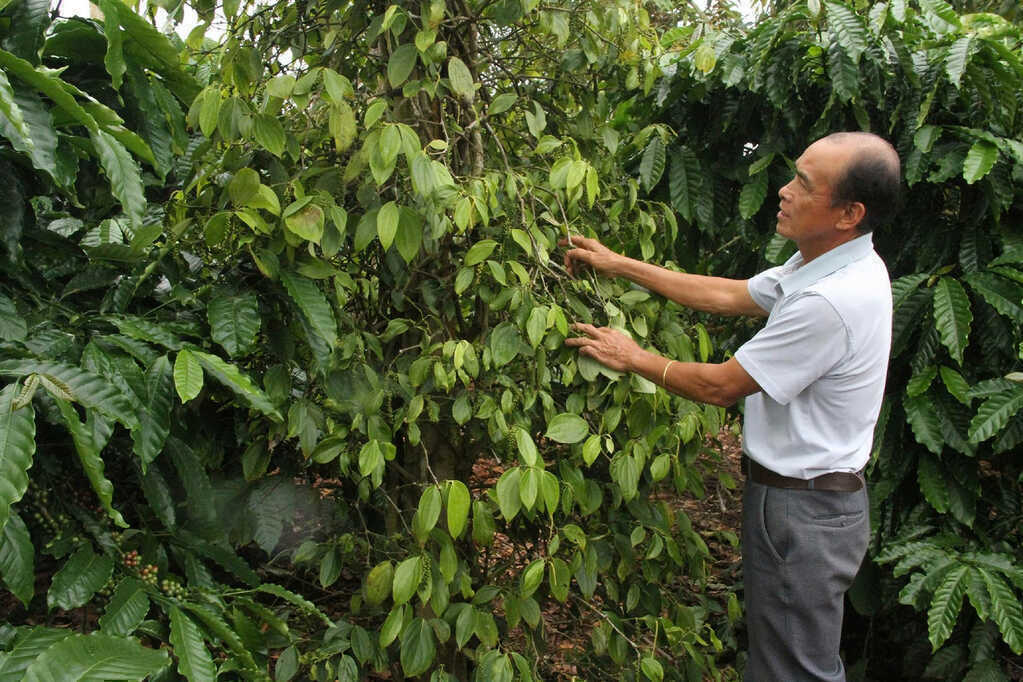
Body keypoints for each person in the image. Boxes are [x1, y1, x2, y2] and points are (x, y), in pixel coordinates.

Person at [561, 132, 901, 682]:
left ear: (849, 213)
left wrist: (633, 356)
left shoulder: (831, 300)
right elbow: (729, 295)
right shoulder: (826, 263)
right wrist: (619, 264)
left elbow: (720, 386)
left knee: (797, 671)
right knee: (787, 661)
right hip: (804, 502)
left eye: (804, 185)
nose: (784, 192)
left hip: (804, 512)